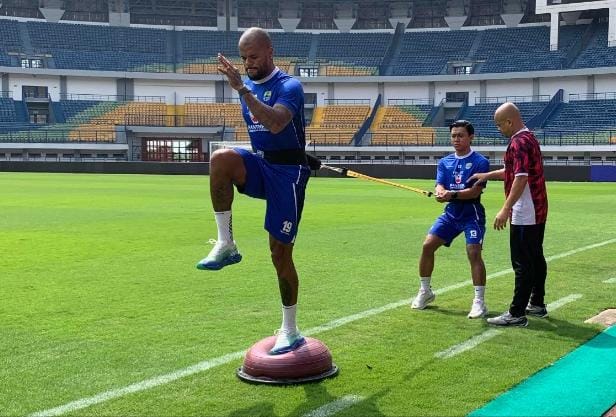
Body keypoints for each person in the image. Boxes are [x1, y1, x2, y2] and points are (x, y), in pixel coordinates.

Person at [196, 27, 311, 354]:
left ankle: (290, 329)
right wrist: (244, 89)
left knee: (279, 253)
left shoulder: (289, 85)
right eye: (244, 58)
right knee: (221, 159)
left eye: (254, 57)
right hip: (263, 165)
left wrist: (243, 91)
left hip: (289, 175)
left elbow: (276, 123)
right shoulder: (246, 85)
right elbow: (266, 137)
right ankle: (226, 243)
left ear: (270, 52)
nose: (248, 64)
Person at [469, 102, 548, 327]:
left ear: (509, 122)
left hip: (526, 210)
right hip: (537, 208)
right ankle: (537, 303)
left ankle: (517, 313)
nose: (498, 129)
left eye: (499, 125)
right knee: (535, 257)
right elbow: (512, 171)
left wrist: (505, 209)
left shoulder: (519, 142)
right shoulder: (528, 137)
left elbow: (520, 178)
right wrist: (487, 175)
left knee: (522, 261)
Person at [411, 120, 490, 319]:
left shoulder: (481, 161)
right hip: (451, 214)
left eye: (460, 135)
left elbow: (474, 192)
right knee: (428, 245)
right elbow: (439, 185)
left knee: (473, 253)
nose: (456, 139)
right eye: (454, 135)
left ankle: (479, 301)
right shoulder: (444, 162)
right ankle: (425, 291)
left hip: (472, 213)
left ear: (471, 137)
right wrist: (440, 193)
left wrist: (450, 194)